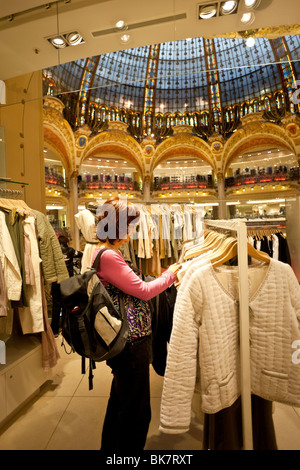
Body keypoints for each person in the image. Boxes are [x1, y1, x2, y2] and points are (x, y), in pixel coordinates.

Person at [93, 197, 181, 453]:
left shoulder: (102, 251)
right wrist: (170, 274)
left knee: (119, 403)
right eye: (131, 225)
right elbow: (143, 291)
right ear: (119, 226)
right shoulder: (110, 256)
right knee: (137, 412)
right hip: (131, 342)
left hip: (125, 341)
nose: (133, 231)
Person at [51, 235, 82, 336]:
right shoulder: (70, 251)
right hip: (67, 282)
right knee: (66, 304)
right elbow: (81, 254)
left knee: (56, 305)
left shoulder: (53, 252)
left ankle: (54, 330)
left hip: (56, 282)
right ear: (67, 243)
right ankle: (65, 328)